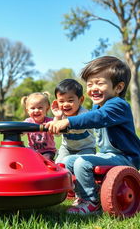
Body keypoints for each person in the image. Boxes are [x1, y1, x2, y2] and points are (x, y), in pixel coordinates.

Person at [46, 56, 140, 215]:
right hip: (107, 155)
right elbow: (93, 116)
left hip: (125, 157)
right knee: (68, 161)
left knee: (82, 162)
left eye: (100, 83)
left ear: (118, 87)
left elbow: (97, 118)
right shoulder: (97, 106)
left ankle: (92, 203)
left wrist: (68, 122)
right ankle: (83, 196)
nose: (93, 88)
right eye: (90, 84)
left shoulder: (118, 104)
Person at [52, 79, 96, 163]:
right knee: (59, 164)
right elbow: (56, 134)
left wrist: (65, 123)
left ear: (81, 100)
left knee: (79, 163)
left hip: (86, 148)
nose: (65, 104)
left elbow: (80, 128)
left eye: (70, 100)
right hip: (67, 148)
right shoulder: (61, 115)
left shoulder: (84, 114)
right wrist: (57, 117)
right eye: (61, 101)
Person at [21, 92, 57, 161]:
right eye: (33, 108)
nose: (36, 110)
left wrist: (55, 123)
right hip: (33, 150)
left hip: (48, 151)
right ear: (27, 110)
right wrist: (20, 131)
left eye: (40, 107)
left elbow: (56, 127)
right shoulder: (28, 122)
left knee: (46, 159)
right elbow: (21, 132)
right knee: (24, 158)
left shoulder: (50, 121)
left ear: (47, 108)